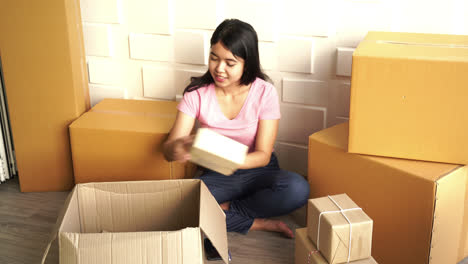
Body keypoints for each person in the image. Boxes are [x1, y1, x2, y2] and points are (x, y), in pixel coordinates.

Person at [163, 18, 309, 238]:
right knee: (179, 205)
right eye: (214, 58)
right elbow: (168, 151)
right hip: (218, 173)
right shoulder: (196, 94)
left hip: (259, 169)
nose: (219, 69)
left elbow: (262, 155)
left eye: (230, 63)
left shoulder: (264, 92)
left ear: (247, 63)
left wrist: (229, 157)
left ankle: (228, 211)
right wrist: (179, 147)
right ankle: (258, 224)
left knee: (298, 188)